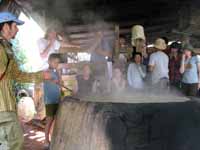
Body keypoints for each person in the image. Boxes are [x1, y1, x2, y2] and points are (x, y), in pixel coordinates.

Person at [0, 11, 48, 150]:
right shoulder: (1, 48)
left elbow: (17, 75)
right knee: (15, 145)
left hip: (6, 107)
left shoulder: (6, 48)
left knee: (7, 145)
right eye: (15, 25)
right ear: (6, 27)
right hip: (3, 108)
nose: (17, 29)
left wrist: (41, 76)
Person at [43, 53, 61, 149]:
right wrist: (52, 81)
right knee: (49, 120)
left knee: (55, 120)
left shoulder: (55, 72)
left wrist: (59, 74)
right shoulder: (46, 71)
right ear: (49, 61)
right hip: (49, 100)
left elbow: (59, 84)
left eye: (58, 63)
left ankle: (53, 138)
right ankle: (46, 140)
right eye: (55, 62)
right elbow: (44, 78)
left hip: (57, 99)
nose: (56, 64)